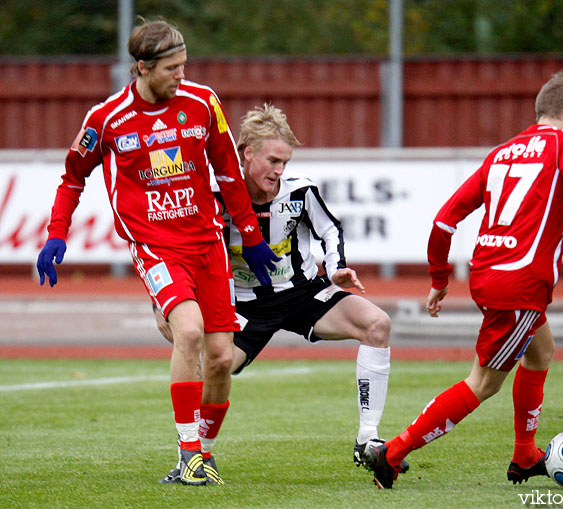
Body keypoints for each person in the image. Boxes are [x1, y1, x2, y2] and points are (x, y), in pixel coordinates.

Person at [35, 19, 279, 486]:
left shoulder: (204, 103)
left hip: (207, 244)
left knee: (223, 358)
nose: (181, 76)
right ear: (142, 68)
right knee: (188, 332)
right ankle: (188, 455)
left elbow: (228, 169)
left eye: (185, 66)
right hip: (155, 247)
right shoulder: (106, 119)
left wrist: (249, 233)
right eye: (172, 68)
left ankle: (203, 454)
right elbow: (73, 178)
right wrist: (56, 233)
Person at [361, 69, 563, 489]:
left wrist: (439, 278)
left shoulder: (503, 152)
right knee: (482, 382)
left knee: (541, 352)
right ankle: (392, 454)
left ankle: (524, 455)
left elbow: (445, 220)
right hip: (520, 283)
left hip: (488, 274)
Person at [155, 103, 409, 484]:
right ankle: (196, 454)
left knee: (377, 323)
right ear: (247, 154)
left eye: (285, 162)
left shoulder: (300, 190)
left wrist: (337, 265)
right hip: (242, 304)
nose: (279, 170)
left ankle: (366, 439)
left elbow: (330, 229)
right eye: (273, 160)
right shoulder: (213, 192)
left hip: (301, 293)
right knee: (217, 366)